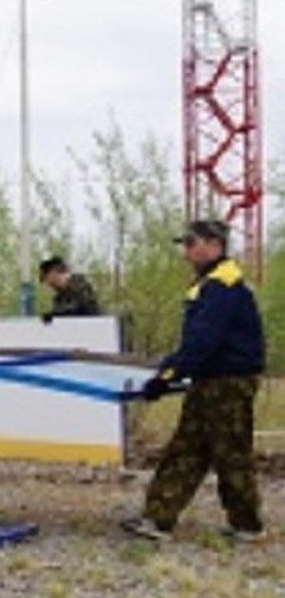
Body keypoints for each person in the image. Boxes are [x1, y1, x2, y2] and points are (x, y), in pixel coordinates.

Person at [123, 219, 267, 542]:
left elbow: (204, 342)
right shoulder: (210, 284)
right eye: (185, 245)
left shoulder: (223, 286)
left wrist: (168, 375)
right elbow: (195, 343)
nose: (186, 252)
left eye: (191, 244)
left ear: (214, 244)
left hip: (227, 383)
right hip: (210, 380)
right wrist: (169, 367)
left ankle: (247, 524)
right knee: (186, 450)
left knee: (230, 452)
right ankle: (157, 519)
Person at [38, 256, 101, 323]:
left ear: (54, 272)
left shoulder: (79, 285)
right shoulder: (59, 298)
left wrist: (55, 315)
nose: (47, 284)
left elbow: (81, 308)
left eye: (45, 278)